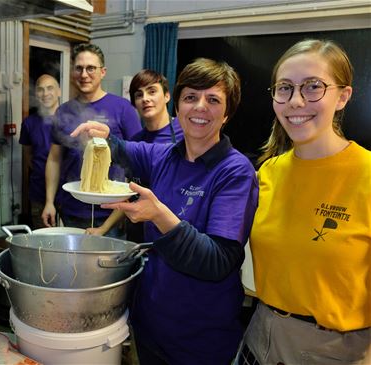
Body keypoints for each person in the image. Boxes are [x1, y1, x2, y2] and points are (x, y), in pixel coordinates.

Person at [71, 58, 259, 364]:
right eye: (190, 97)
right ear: (178, 107)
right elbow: (122, 148)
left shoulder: (235, 171)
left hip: (200, 338)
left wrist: (159, 214)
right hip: (151, 324)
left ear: (227, 113)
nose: (199, 107)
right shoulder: (164, 155)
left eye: (213, 100)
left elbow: (218, 261)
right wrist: (103, 136)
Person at [237, 39, 371, 364]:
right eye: (284, 88)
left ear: (343, 96)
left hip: (336, 351)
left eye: (313, 87)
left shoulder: (366, 175)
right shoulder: (268, 173)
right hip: (260, 337)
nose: (296, 101)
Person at [41, 43, 142, 234]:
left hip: (113, 212)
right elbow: (54, 159)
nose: (84, 74)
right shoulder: (63, 111)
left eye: (91, 68)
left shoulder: (123, 108)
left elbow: (137, 159)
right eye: (79, 68)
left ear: (103, 72)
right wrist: (49, 202)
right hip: (72, 209)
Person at [85, 69, 183, 240]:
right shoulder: (136, 141)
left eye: (152, 91)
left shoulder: (185, 134)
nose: (145, 98)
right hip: (140, 232)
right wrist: (103, 228)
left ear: (167, 96)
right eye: (139, 95)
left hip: (176, 229)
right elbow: (130, 193)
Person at [19, 74, 61, 229]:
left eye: (50, 88)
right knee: (43, 241)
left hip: (67, 195)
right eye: (40, 90)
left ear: (59, 92)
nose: (45, 93)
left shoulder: (70, 120)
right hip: (39, 194)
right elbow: (28, 156)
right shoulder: (29, 123)